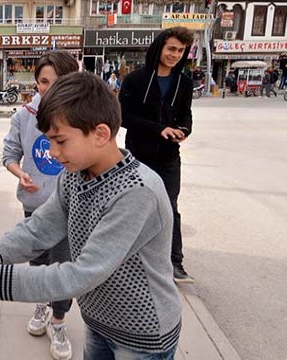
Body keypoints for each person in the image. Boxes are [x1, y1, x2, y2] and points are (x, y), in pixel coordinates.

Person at [0, 72, 182, 360]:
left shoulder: (136, 193)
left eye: (60, 141)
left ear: (101, 134)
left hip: (141, 334)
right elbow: (38, 229)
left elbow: (82, 273)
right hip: (99, 322)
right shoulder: (75, 176)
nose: (52, 153)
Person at [1, 50, 78, 360]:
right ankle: (41, 305)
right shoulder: (23, 116)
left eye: (58, 81)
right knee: (38, 262)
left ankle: (58, 322)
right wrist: (21, 175)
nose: (49, 88)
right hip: (35, 205)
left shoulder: (81, 116)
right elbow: (9, 155)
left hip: (71, 209)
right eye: (44, 81)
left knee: (64, 266)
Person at [118, 26, 194, 283]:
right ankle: (132, 259)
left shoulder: (184, 82)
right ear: (160, 47)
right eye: (171, 48)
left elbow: (186, 116)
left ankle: (175, 263)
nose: (175, 54)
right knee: (136, 207)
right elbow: (124, 117)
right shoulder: (136, 80)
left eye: (180, 51)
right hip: (139, 156)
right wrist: (160, 129)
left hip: (169, 158)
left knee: (169, 207)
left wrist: (183, 131)